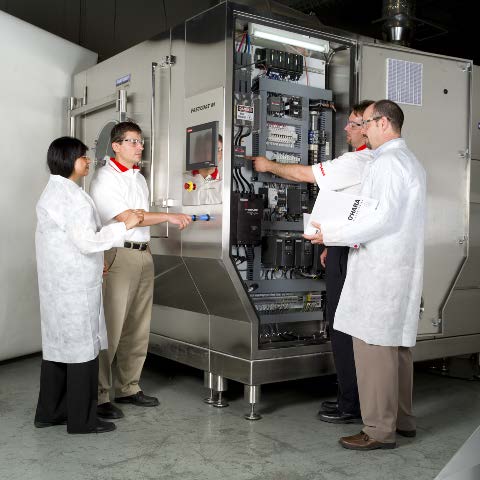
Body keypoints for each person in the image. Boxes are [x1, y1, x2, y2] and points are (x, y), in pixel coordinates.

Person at [305, 100, 426, 450]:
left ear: (383, 123)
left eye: (367, 123)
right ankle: (402, 421)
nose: (362, 130)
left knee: (373, 348)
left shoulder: (386, 163)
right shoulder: (410, 161)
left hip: (379, 271)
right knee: (396, 348)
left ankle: (378, 431)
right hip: (398, 268)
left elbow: (379, 217)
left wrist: (330, 234)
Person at [248, 100, 374, 424]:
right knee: (346, 324)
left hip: (348, 250)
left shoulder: (357, 160)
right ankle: (352, 398)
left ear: (367, 129)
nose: (346, 127)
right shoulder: (372, 162)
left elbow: (306, 174)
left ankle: (351, 405)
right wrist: (332, 242)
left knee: (341, 324)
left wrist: (268, 164)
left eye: (354, 123)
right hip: (346, 245)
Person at [34, 137, 143, 434]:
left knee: (58, 349)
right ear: (69, 160)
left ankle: (50, 412)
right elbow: (86, 241)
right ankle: (82, 420)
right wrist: (125, 225)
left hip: (59, 283)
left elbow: (68, 239)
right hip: (74, 287)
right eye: (83, 157)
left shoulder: (56, 190)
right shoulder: (71, 197)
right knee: (82, 351)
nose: (88, 161)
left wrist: (98, 261)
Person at [89, 121, 192, 420]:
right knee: (111, 327)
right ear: (116, 146)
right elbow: (127, 218)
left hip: (144, 253)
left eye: (141, 141)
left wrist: (146, 217)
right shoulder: (104, 179)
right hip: (118, 256)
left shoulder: (139, 178)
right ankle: (99, 394)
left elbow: (140, 217)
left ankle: (129, 387)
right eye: (132, 141)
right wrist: (167, 217)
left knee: (137, 325)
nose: (140, 146)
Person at [183, 135, 223, 205]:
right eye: (208, 150)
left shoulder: (225, 185)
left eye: (218, 150)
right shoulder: (181, 181)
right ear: (196, 153)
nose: (213, 155)